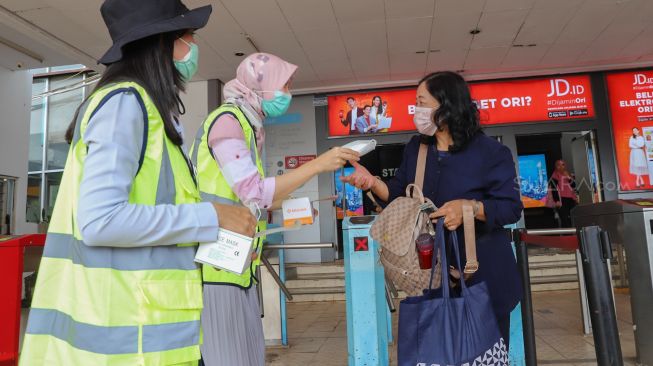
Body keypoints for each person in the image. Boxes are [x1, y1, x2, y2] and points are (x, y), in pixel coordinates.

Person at [19, 1, 259, 365]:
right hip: (125, 341)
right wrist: (212, 216)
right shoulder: (124, 104)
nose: (194, 46)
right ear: (162, 41)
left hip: (148, 336)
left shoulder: (148, 111)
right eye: (188, 35)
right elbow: (101, 222)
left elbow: (156, 221)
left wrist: (221, 243)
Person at [191, 53, 360, 366]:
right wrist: (319, 164)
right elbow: (255, 192)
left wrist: (305, 205)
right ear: (259, 85)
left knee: (248, 357)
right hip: (215, 268)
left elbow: (256, 200)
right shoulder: (227, 122)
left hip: (237, 267)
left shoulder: (248, 125)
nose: (287, 93)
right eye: (284, 85)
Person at [342, 71, 523, 348]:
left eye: (422, 102)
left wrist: (471, 208)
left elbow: (510, 208)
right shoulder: (417, 147)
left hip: (483, 278)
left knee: (486, 356)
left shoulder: (490, 152)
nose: (417, 111)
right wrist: (371, 182)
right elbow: (398, 195)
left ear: (446, 105)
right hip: (429, 276)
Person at [550, 160, 578, 227]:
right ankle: (567, 236)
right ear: (556, 166)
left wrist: (568, 177)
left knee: (573, 218)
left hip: (571, 199)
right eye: (558, 165)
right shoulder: (555, 175)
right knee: (564, 219)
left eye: (563, 164)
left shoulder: (567, 174)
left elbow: (573, 185)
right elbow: (554, 188)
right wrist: (557, 200)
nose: (561, 166)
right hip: (562, 199)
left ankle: (574, 235)